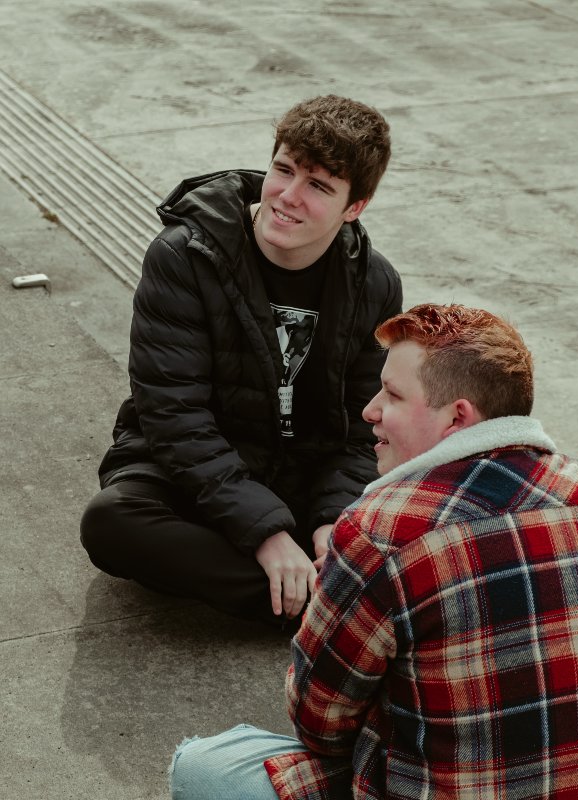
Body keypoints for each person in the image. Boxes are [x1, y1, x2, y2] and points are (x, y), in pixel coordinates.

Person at [169, 304, 578, 799]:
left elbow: (320, 723)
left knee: (207, 766)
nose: (370, 410)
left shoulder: (383, 531)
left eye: (392, 394)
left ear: (457, 417)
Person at [80, 95, 403, 625]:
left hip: (305, 474)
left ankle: (310, 593)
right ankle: (338, 613)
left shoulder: (373, 282)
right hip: (192, 469)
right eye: (284, 170)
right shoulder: (186, 254)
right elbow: (174, 416)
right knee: (113, 522)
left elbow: (364, 427)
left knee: (432, 524)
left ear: (354, 207)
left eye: (318, 186)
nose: (288, 197)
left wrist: (331, 525)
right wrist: (268, 534)